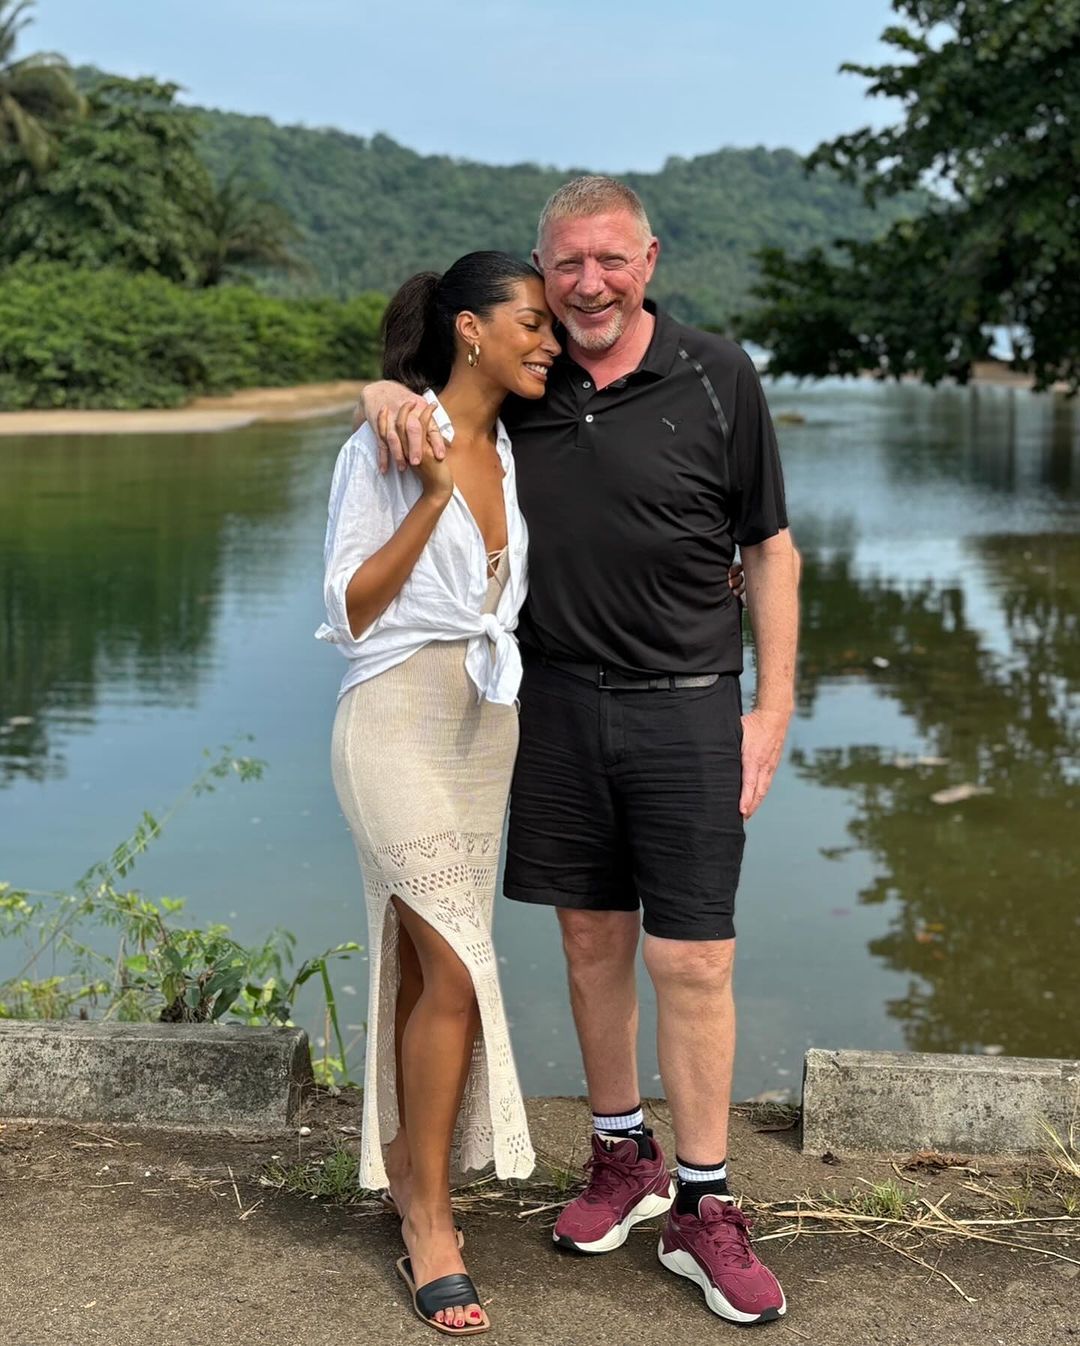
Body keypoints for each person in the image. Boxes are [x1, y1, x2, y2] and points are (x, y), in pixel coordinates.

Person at [360, 176, 800, 1326]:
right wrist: (380, 392)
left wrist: (773, 706)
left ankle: (705, 1203)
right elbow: (429, 390)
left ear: (649, 261)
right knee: (592, 940)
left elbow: (769, 546)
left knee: (692, 959)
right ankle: (622, 1154)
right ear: (543, 275)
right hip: (553, 704)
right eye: (568, 264)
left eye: (611, 259)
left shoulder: (719, 376)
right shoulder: (531, 380)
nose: (590, 282)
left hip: (690, 706)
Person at [318, 251, 560, 1336]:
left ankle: (411, 1173)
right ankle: (430, 1221)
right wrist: (428, 496)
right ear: (470, 328)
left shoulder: (516, 442)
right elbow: (351, 609)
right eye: (532, 321)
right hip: (393, 718)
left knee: (430, 967)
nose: (549, 340)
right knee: (458, 962)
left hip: (483, 725)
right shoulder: (388, 443)